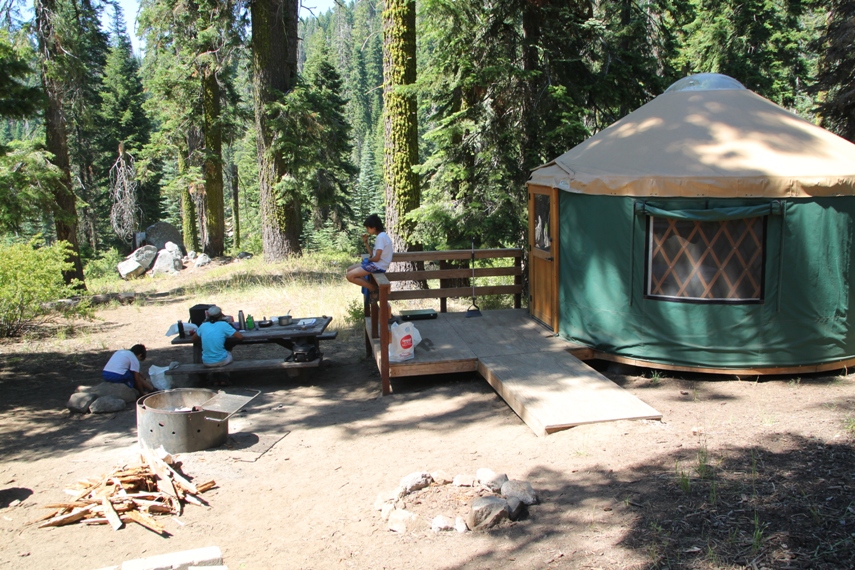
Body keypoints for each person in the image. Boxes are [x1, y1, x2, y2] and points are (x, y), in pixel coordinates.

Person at [346, 214, 394, 300]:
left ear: (374, 227)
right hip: (377, 264)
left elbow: (376, 258)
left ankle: (373, 288)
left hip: (378, 266)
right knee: (350, 269)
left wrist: (367, 260)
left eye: (368, 228)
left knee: (350, 276)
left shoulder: (381, 238)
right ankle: (371, 287)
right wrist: (366, 243)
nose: (367, 230)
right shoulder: (382, 236)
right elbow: (373, 255)